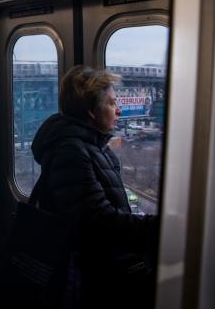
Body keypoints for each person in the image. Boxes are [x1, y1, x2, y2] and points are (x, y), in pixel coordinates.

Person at [31, 66, 158, 308]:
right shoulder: (72, 152)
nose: (118, 110)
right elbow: (98, 223)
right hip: (92, 276)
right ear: (91, 111)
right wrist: (157, 228)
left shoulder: (92, 147)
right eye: (111, 103)